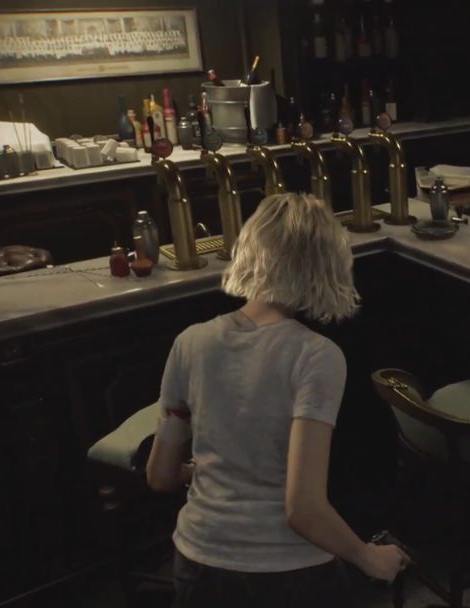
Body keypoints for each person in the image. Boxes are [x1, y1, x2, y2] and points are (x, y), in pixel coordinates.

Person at [146, 192, 408, 607]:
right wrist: (369, 558)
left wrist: (205, 469)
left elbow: (160, 475)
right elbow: (303, 510)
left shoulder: (190, 342)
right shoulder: (316, 356)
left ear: (250, 252)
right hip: (287, 573)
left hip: (198, 559)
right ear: (328, 266)